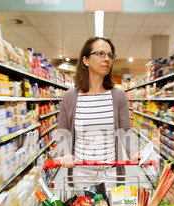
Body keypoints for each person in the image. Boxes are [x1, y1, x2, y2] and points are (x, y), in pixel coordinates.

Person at [55, 36, 141, 188]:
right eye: (100, 54)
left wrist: (133, 153)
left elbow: (125, 131)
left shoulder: (118, 96)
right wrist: (65, 154)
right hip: (81, 173)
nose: (106, 59)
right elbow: (62, 131)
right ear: (85, 60)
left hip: (110, 173)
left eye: (110, 55)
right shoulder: (70, 97)